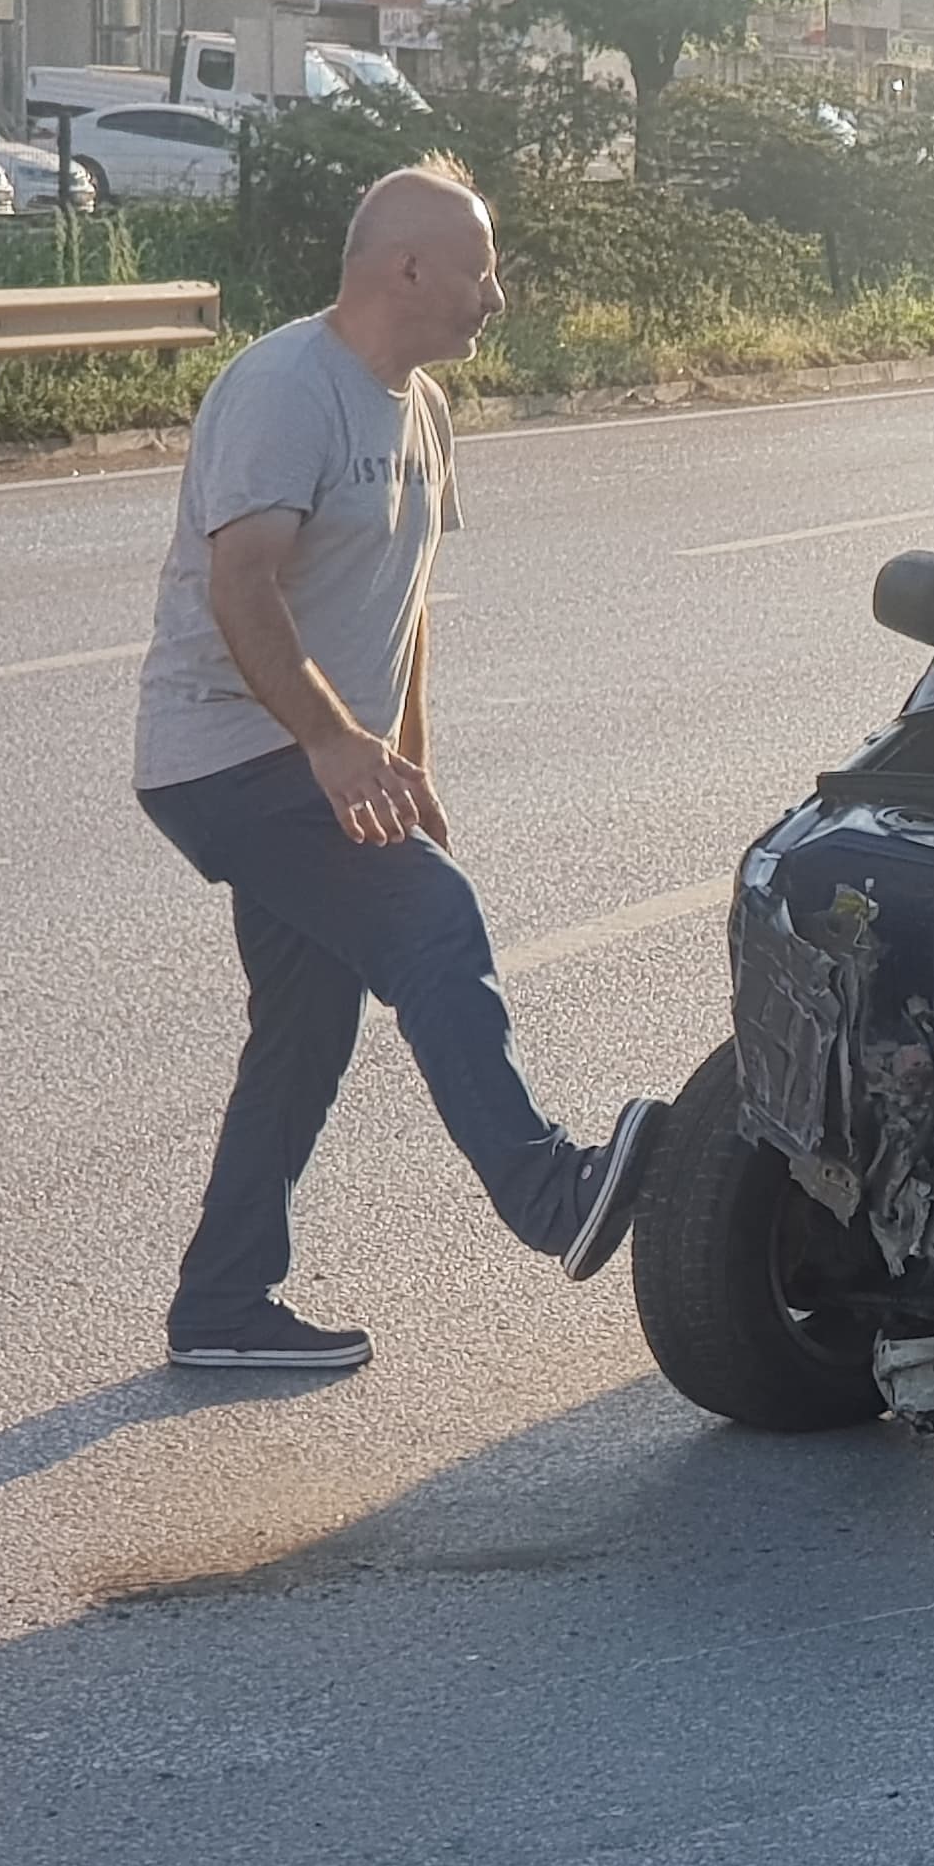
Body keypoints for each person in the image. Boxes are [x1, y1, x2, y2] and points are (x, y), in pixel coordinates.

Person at [132, 160, 657, 1372]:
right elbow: (242, 584)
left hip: (316, 756)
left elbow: (403, 605)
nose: (497, 295)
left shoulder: (419, 405)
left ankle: (221, 1309)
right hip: (229, 750)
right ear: (407, 267)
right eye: (482, 269)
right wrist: (329, 739)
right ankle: (550, 1194)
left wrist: (401, 756)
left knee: (303, 1031)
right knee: (434, 926)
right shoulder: (285, 389)